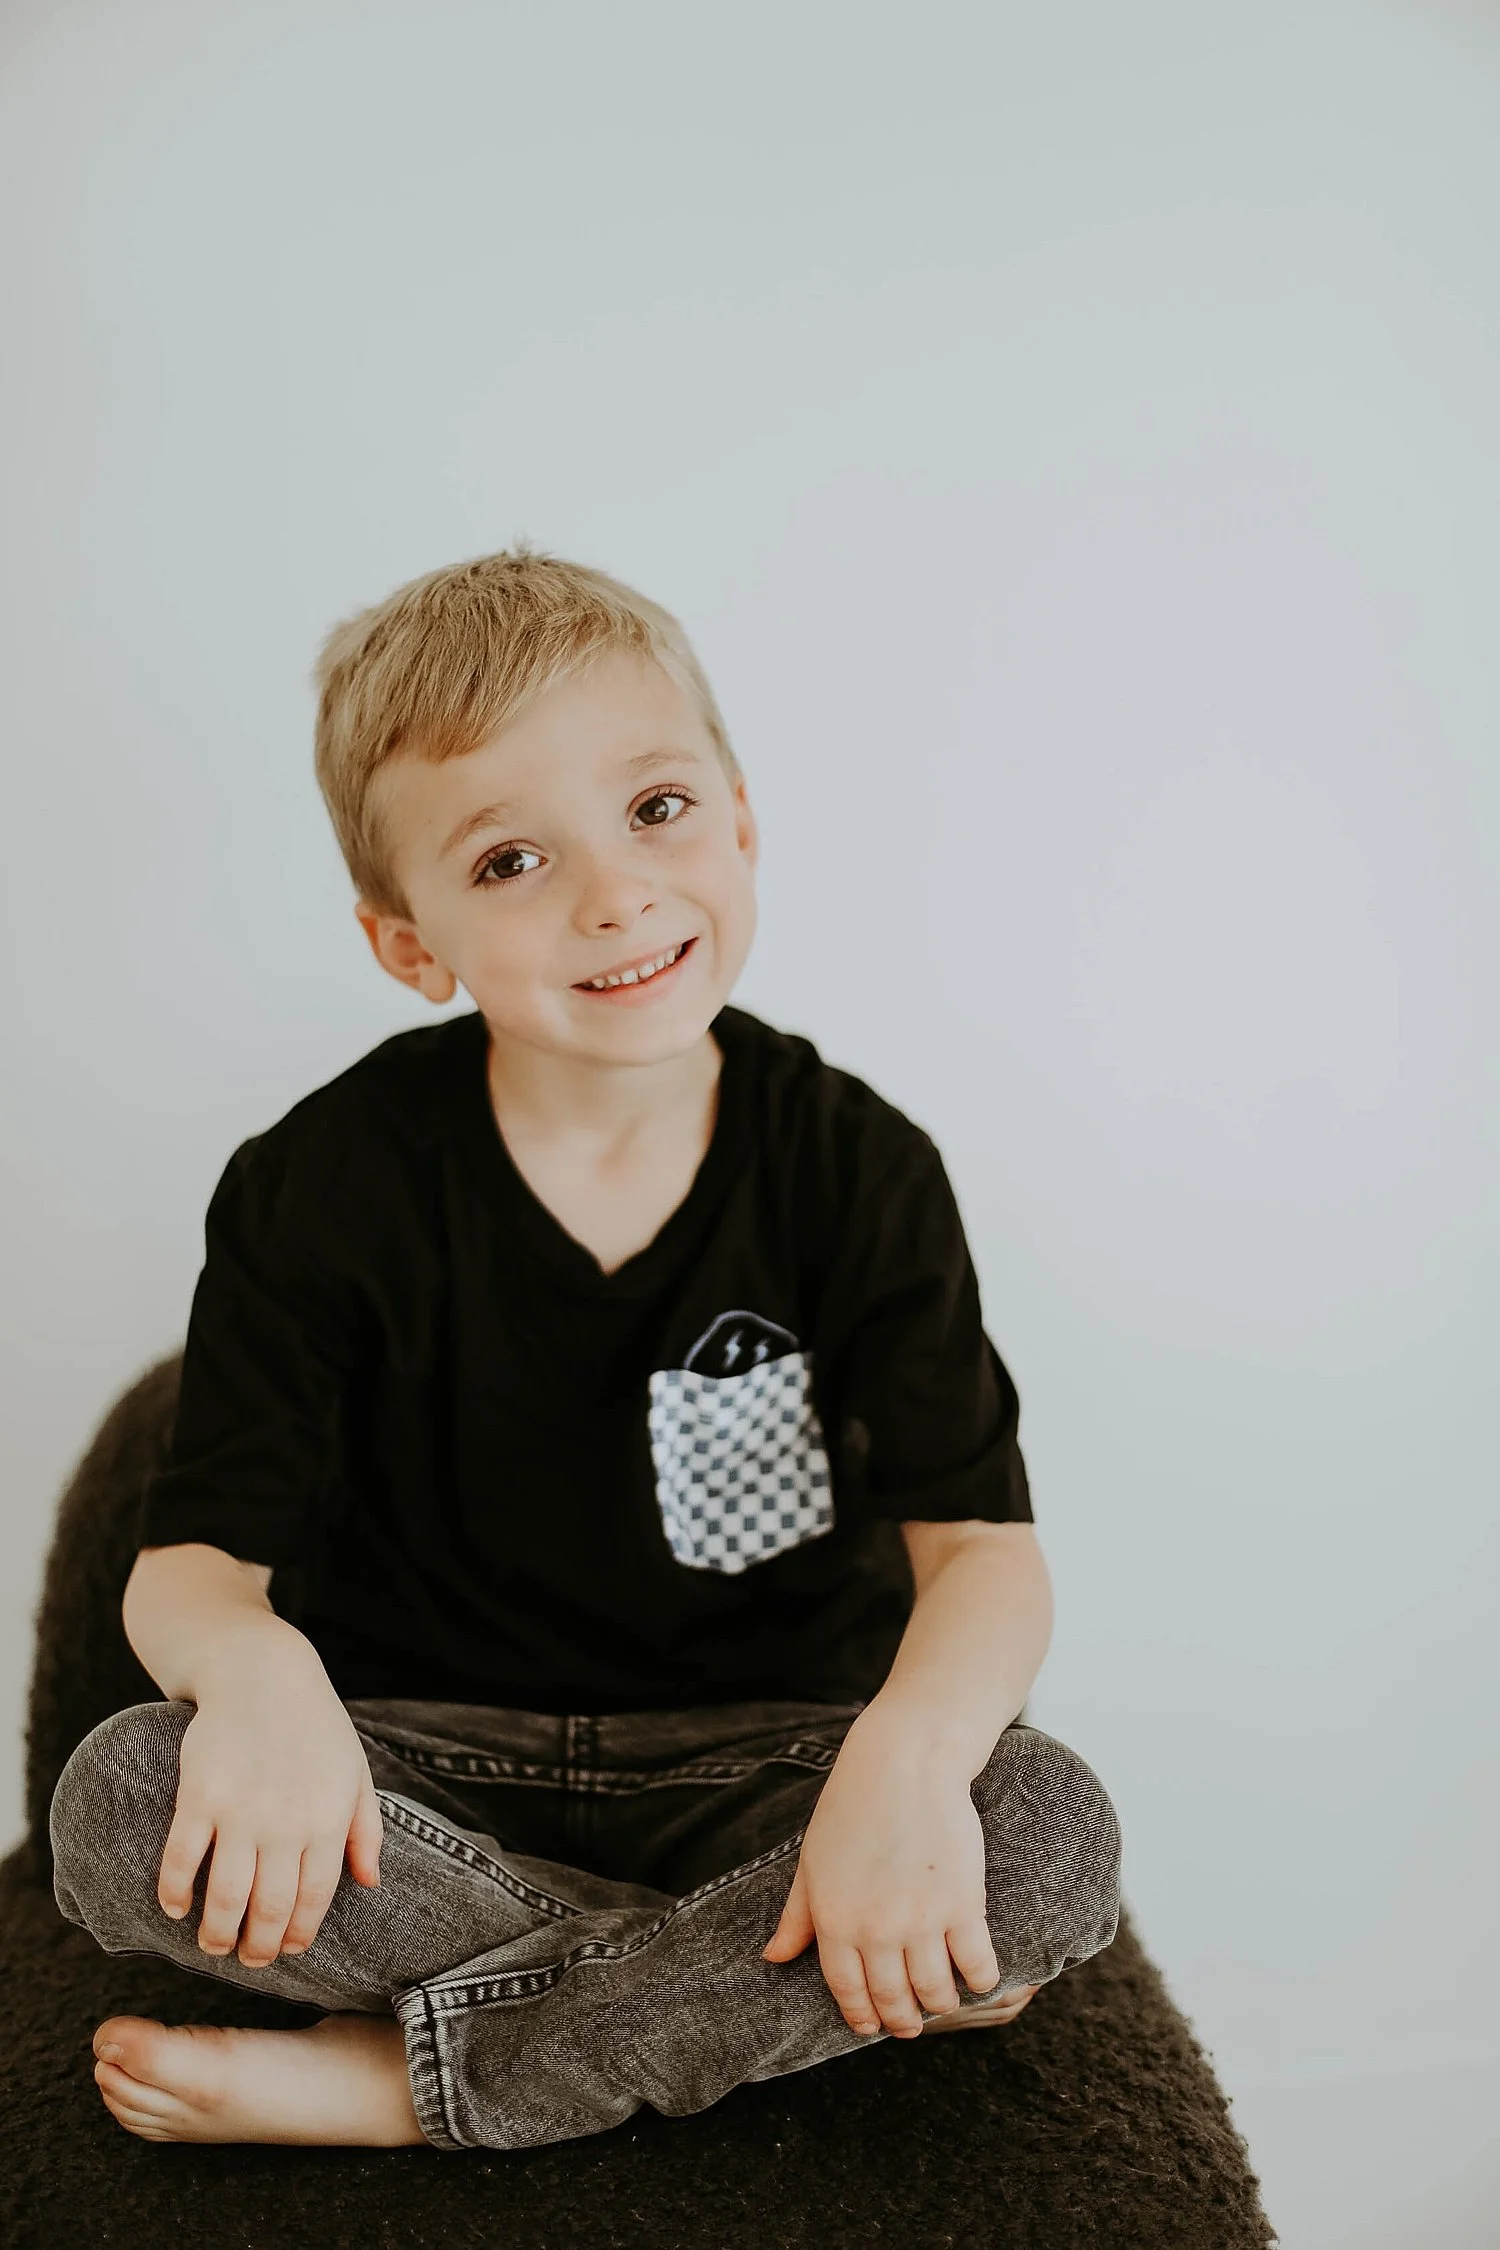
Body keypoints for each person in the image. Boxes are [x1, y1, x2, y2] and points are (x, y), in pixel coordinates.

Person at [48, 545, 1122, 2153]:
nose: (614, 893)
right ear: (410, 945)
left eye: (658, 810)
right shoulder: (317, 1184)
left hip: (771, 1764)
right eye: (507, 861)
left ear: (743, 820)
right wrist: (256, 1669)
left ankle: (425, 2082)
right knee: (122, 1802)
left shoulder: (856, 1167)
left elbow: (984, 1552)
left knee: (1042, 1835)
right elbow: (188, 1565)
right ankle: (726, 1997)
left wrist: (905, 1764)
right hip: (415, 1771)